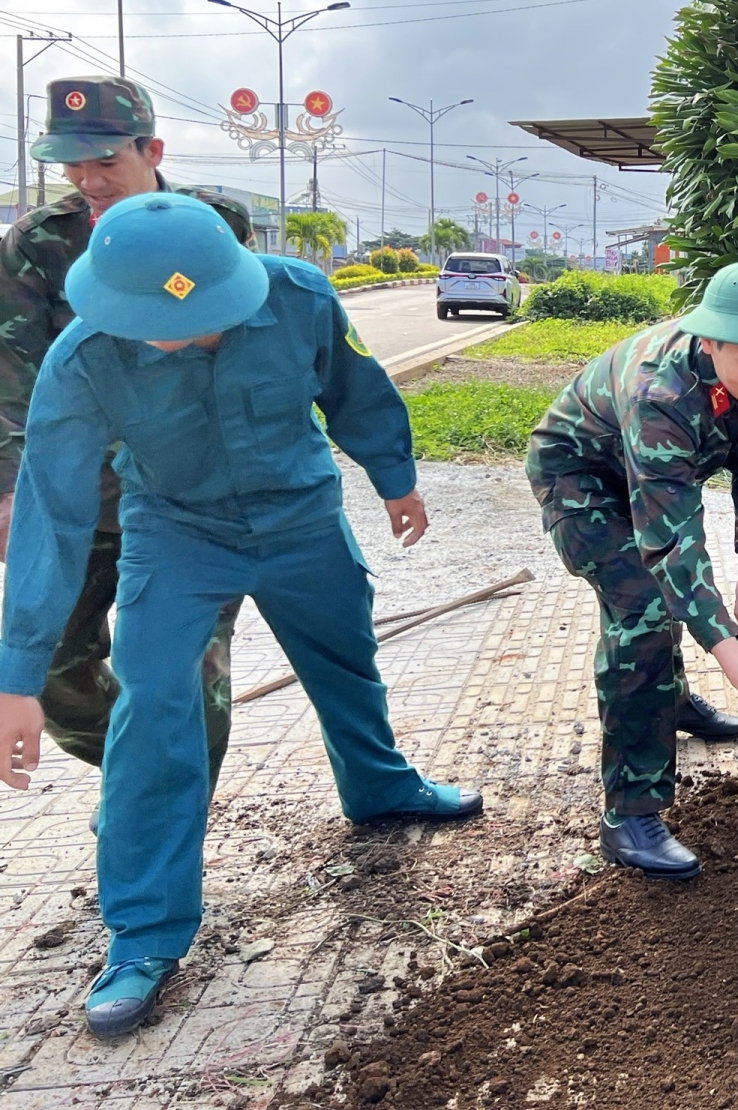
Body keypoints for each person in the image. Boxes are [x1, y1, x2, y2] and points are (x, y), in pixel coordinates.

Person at [0, 192, 482, 1038]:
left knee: (345, 656)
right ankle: (144, 932)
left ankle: (378, 785)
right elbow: (52, 512)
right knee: (153, 708)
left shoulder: (297, 294)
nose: (168, 335)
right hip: (177, 535)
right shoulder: (83, 357)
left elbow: (354, 387)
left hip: (301, 516)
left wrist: (394, 476)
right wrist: (18, 674)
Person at [526, 258, 738, 879]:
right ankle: (629, 811)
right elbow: (674, 548)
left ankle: (672, 701)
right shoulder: (660, 393)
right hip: (583, 480)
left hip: (648, 477)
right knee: (642, 613)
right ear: (710, 340)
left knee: (664, 612)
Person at [0, 76, 250, 787]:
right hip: (85, 498)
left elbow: (250, 351)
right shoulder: (37, 245)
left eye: (105, 161)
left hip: (191, 497)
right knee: (47, 666)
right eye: (71, 164)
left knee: (188, 674)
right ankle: (143, 783)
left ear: (151, 150)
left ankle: (167, 827)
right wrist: (12, 494)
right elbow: (11, 382)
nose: (87, 179)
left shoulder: (212, 227)